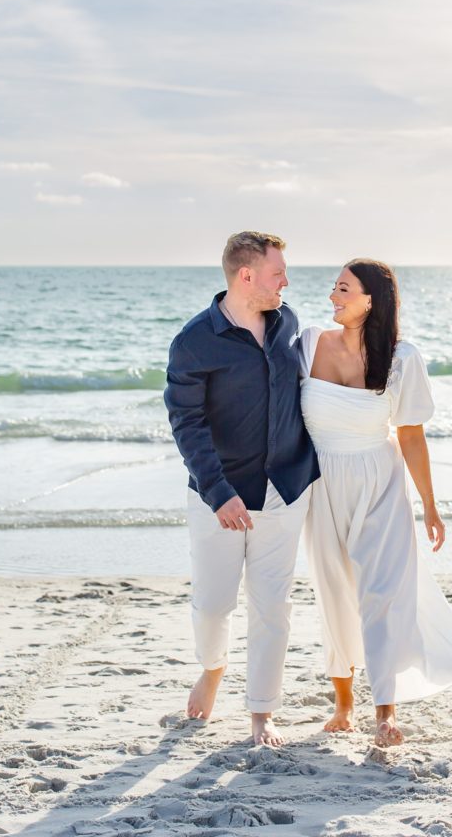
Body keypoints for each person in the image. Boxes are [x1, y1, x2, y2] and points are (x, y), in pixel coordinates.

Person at [299, 258, 452, 746]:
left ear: (370, 301)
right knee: (333, 589)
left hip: (380, 480)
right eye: (334, 288)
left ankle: (385, 711)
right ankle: (343, 704)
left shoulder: (402, 358)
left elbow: (412, 436)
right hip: (321, 482)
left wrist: (430, 504)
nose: (332, 297)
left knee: (382, 594)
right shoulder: (308, 344)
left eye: (342, 289)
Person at [163, 230, 320, 747]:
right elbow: (186, 423)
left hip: (285, 488)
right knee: (212, 604)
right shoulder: (193, 341)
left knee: (272, 605)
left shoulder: (287, 323)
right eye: (278, 273)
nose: (286, 282)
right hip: (219, 494)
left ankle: (262, 712)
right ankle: (213, 667)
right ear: (246, 275)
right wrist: (218, 490)